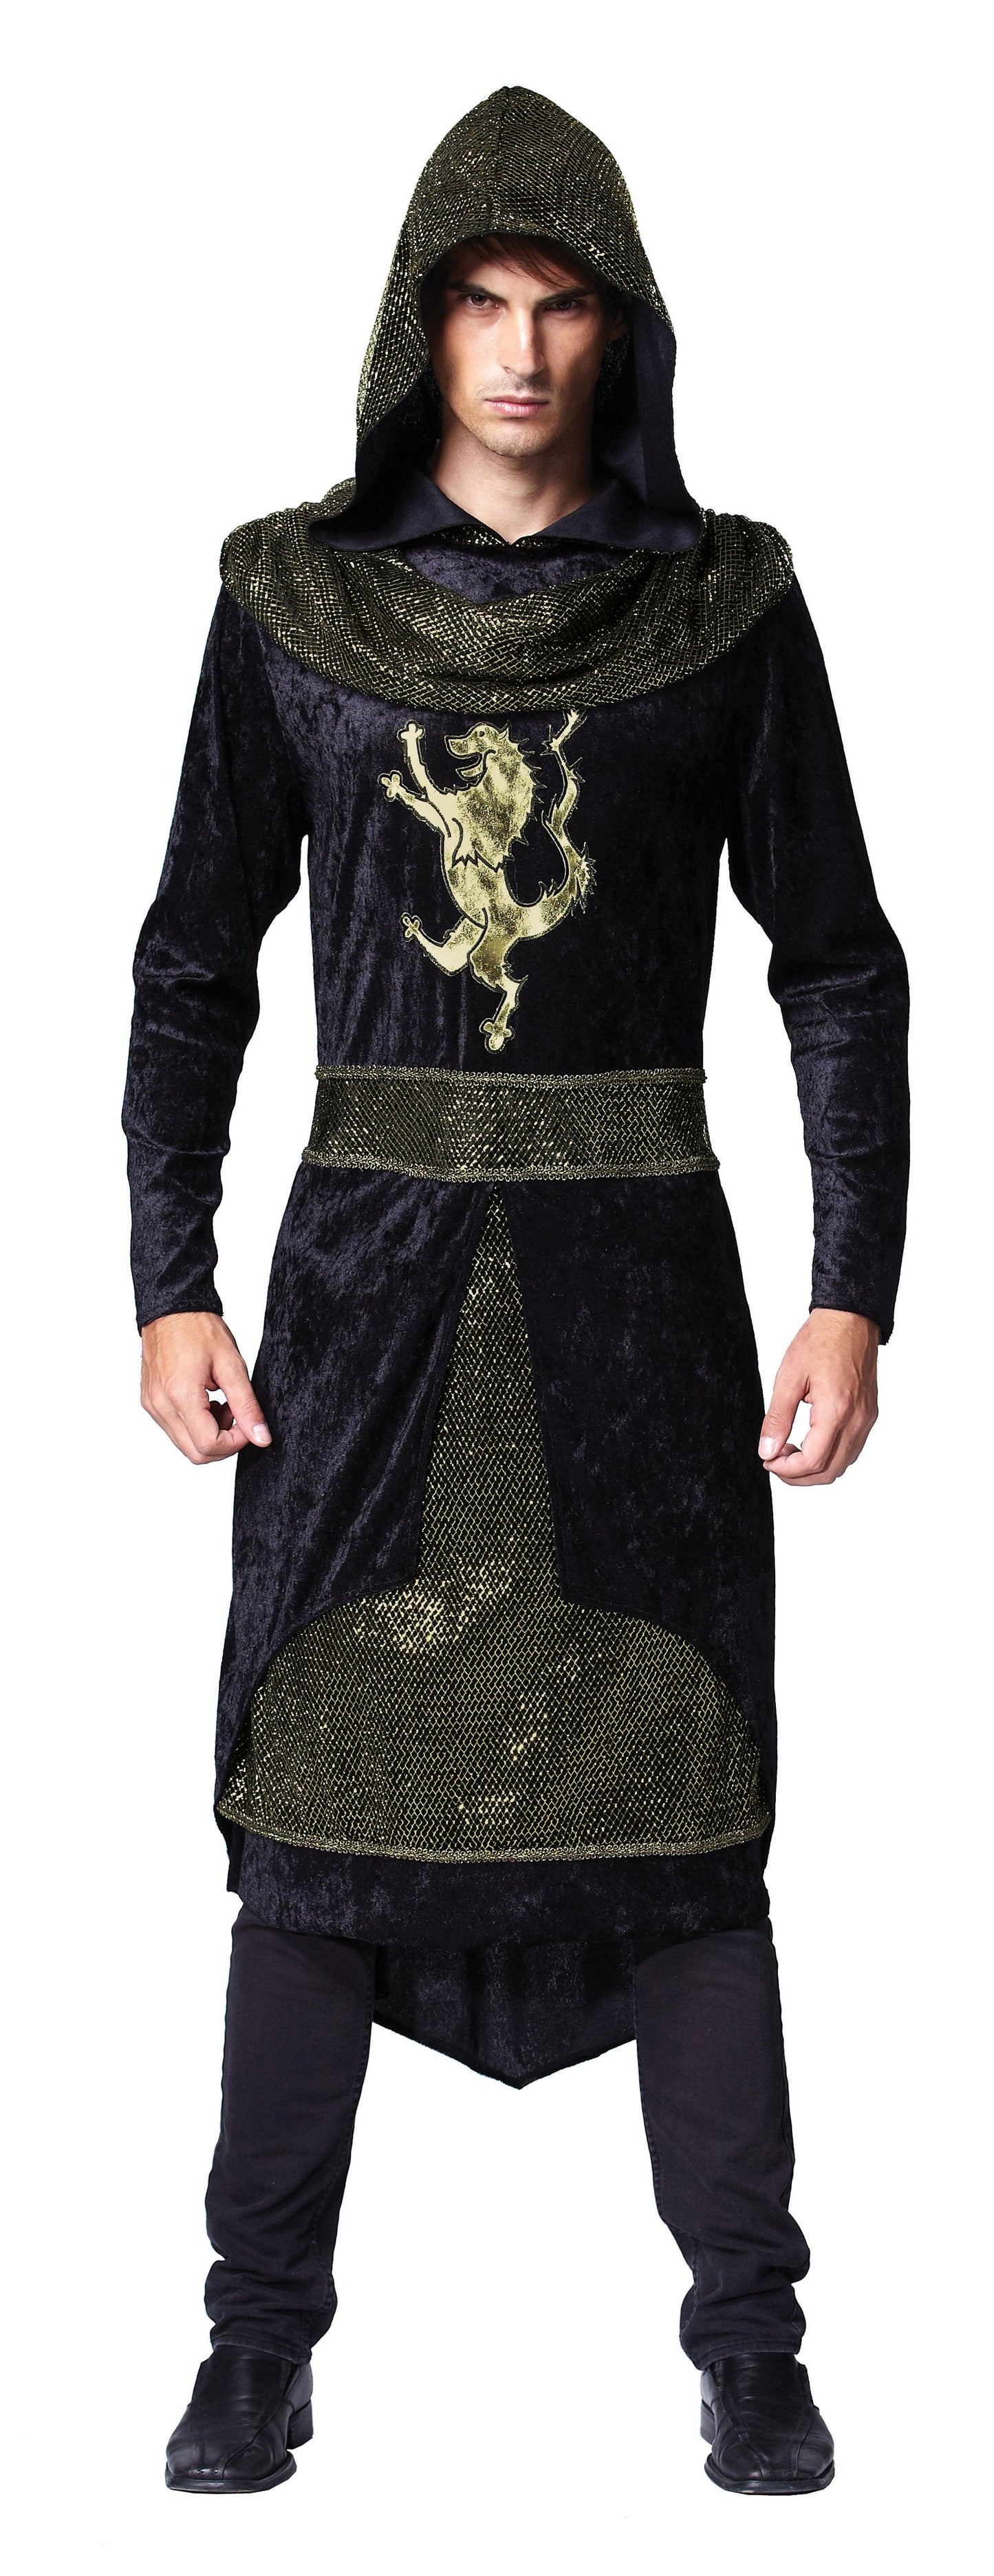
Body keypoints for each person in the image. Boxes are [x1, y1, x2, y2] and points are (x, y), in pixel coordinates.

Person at [124, 86, 909, 2498]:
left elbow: (837, 964)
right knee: (313, 1798)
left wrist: (852, 1285)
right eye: (481, 299)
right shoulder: (291, 601)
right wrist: (167, 1277)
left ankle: (753, 2346)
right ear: (419, 323)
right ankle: (255, 2347)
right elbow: (191, 963)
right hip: (363, 1292)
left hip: (639, 1290)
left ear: (619, 329)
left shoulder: (724, 605)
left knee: (686, 1797)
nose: (523, 348)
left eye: (563, 303)